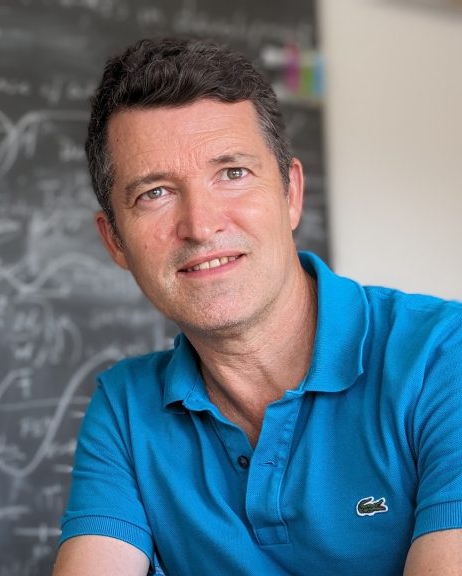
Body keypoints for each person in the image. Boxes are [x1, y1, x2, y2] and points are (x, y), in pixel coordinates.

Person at [53, 37, 462, 575]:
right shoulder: (127, 408)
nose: (200, 226)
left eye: (232, 173)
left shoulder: (442, 358)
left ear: (291, 193)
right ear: (115, 242)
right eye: (154, 192)